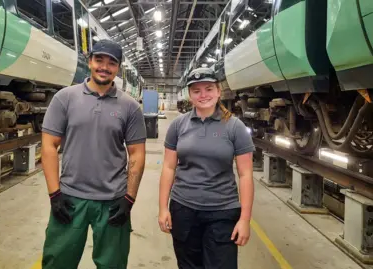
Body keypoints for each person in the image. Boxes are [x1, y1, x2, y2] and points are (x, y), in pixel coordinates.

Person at [41, 39, 147, 269]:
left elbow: (137, 154)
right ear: (89, 62)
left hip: (112, 201)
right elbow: (49, 146)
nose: (104, 67)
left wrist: (129, 198)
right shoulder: (64, 98)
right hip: (70, 198)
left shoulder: (130, 107)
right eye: (99, 60)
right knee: (57, 262)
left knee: (113, 264)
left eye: (112, 63)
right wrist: (54, 195)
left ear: (118, 68)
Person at [158, 67, 255, 269]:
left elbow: (245, 175)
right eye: (196, 91)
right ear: (189, 95)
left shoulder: (235, 127)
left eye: (209, 88)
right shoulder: (178, 125)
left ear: (219, 91)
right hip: (183, 209)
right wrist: (162, 208)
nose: (203, 95)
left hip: (222, 211)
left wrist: (244, 219)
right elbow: (168, 168)